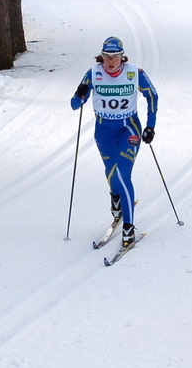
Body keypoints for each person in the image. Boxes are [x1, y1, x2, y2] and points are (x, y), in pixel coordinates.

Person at [70, 36, 158, 249]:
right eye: (107, 57)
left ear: (122, 57)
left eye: (115, 57)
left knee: (123, 174)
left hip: (129, 129)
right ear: (102, 56)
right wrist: (80, 94)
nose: (111, 61)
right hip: (104, 131)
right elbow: (74, 105)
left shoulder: (134, 73)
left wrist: (150, 126)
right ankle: (116, 198)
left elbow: (152, 96)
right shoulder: (94, 73)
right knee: (111, 173)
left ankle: (129, 227)